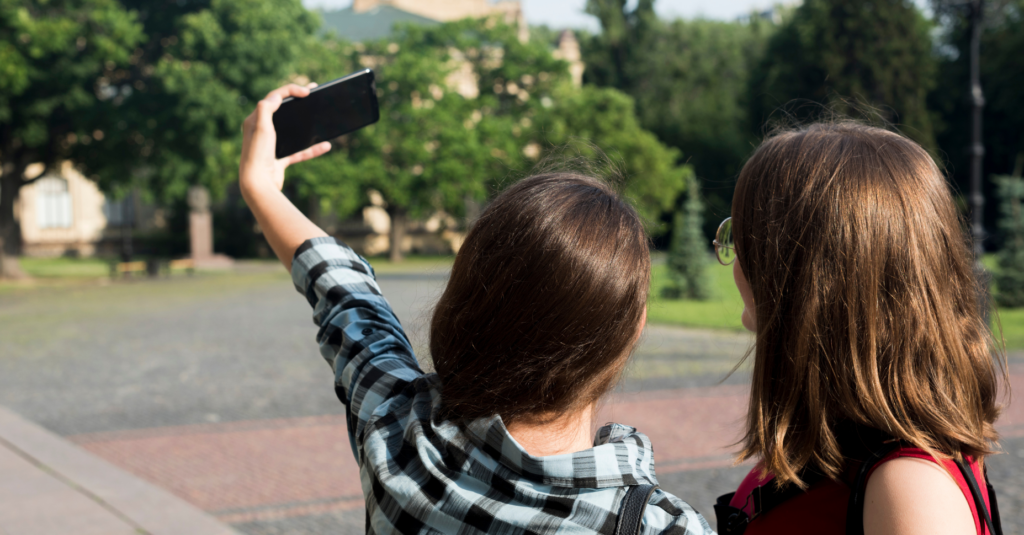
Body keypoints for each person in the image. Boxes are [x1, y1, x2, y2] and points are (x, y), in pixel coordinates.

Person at [239, 83, 714, 534]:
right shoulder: (661, 526)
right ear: (633, 327)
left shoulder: (400, 435)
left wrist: (260, 186)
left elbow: (347, 294)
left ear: (468, 300)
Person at [712, 122, 1005, 535]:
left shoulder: (909, 488)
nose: (735, 261)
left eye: (743, 240)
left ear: (801, 279)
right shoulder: (846, 442)